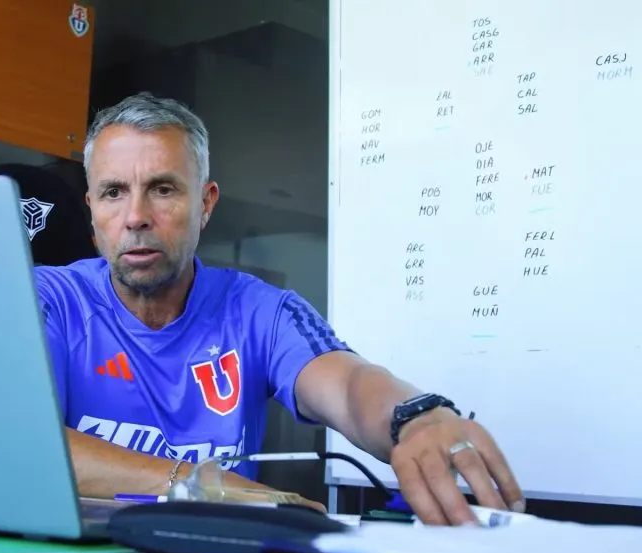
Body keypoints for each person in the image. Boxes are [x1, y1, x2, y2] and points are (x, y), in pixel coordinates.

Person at [33, 92, 523, 527]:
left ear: (205, 203)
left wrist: (416, 418)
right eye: (113, 192)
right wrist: (214, 489)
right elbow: (20, 443)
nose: (136, 216)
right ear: (92, 213)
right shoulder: (45, 298)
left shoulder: (260, 311)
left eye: (163, 189)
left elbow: (349, 385)